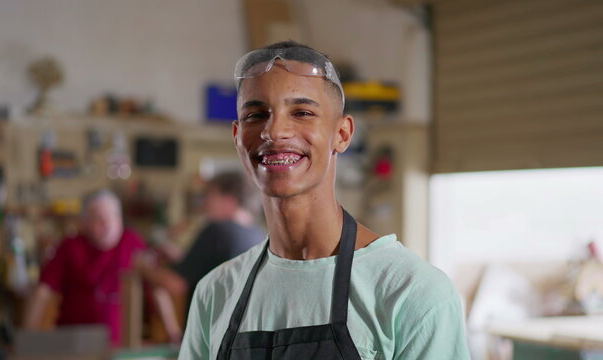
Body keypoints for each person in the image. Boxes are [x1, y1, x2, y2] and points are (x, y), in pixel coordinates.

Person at [178, 41, 470, 359]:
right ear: (237, 136)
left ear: (342, 134)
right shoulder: (215, 293)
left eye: (302, 112)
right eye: (256, 115)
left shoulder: (413, 293)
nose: (274, 131)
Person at [23, 189, 149, 346]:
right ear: (84, 223)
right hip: (74, 345)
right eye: (98, 218)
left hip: (121, 347)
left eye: (113, 216)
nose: (107, 222)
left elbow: (157, 286)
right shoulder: (70, 246)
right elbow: (42, 291)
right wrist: (27, 341)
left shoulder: (132, 243)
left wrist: (174, 332)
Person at [136, 172, 265, 315]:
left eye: (210, 195)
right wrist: (182, 257)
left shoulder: (217, 230)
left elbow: (176, 284)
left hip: (211, 330)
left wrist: (143, 267)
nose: (206, 203)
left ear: (229, 200)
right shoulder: (259, 235)